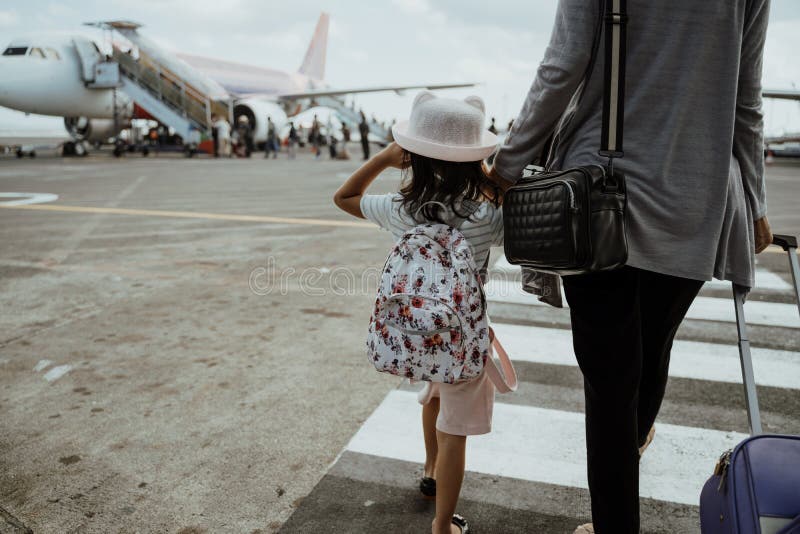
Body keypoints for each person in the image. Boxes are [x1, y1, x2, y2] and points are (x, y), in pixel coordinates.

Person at [488, 1, 772, 533]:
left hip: (600, 201)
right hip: (696, 200)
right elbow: (745, 100)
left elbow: (563, 64)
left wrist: (506, 167)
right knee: (651, 347)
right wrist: (755, 203)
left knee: (610, 385)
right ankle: (627, 469)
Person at [334, 92, 502, 534]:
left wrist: (386, 159)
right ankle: (443, 525)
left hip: (416, 331)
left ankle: (429, 469)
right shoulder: (488, 212)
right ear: (474, 157)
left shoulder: (399, 209)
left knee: (433, 392)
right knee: (456, 433)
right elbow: (517, 211)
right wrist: (489, 173)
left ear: (414, 157)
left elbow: (345, 196)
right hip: (461, 336)